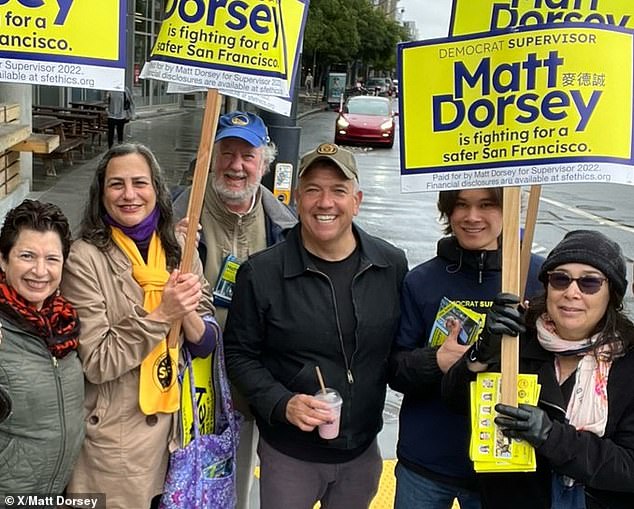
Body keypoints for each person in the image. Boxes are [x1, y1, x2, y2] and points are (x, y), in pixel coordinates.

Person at [224, 143, 408, 509]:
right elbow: (239, 355)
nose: (325, 202)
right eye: (313, 190)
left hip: (361, 454)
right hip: (290, 457)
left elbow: (401, 352)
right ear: (296, 199)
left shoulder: (390, 265)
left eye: (338, 190)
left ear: (356, 201)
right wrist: (283, 403)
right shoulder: (261, 273)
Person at [61, 143, 220, 509]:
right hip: (113, 450)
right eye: (117, 184)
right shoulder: (84, 258)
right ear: (101, 195)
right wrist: (164, 313)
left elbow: (206, 341)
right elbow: (98, 362)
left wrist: (187, 312)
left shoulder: (180, 248)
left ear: (156, 190)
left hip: (175, 440)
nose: (129, 194)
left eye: (140, 182)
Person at [443, 230, 634, 509]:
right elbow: (454, 400)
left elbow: (628, 468)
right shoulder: (517, 339)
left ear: (612, 295)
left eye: (589, 283)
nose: (572, 292)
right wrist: (482, 350)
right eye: (560, 279)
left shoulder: (627, 362)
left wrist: (550, 436)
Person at [388, 188, 544, 509]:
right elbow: (395, 370)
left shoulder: (539, 278)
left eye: (487, 205)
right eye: (461, 205)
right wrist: (437, 361)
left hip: (504, 466)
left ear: (509, 210)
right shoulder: (421, 281)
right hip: (427, 464)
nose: (472, 217)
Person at [173, 110, 297, 509]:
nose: (237, 166)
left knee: (235, 491)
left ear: (265, 162)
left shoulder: (286, 228)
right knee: (180, 486)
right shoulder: (176, 214)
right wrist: (171, 247)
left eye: (248, 156)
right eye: (227, 153)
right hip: (186, 388)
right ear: (210, 157)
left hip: (252, 388)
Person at [0, 199, 84, 498]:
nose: (40, 271)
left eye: (52, 258)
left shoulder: (65, 325)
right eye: (26, 255)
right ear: (3, 260)